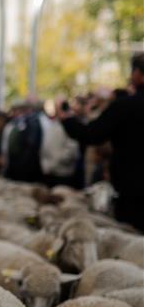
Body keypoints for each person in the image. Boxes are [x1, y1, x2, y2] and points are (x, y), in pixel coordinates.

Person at [59, 52, 144, 231]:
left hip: (131, 190)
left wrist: (67, 119)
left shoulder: (125, 106)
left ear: (137, 74)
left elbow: (92, 134)